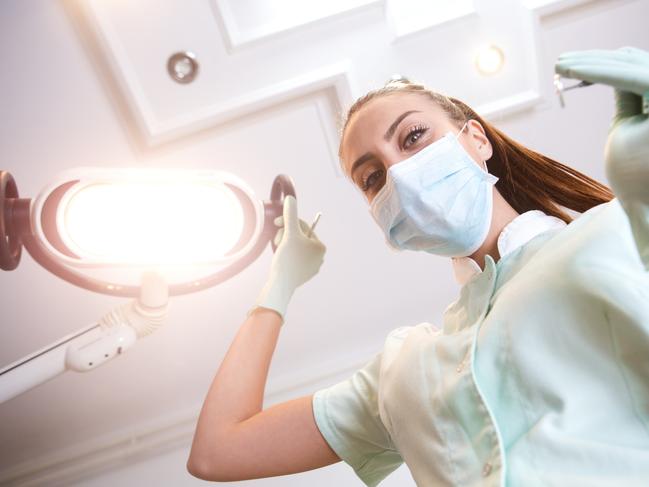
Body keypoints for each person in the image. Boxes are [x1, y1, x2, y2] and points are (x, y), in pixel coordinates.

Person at [186, 46, 649, 486]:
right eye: (372, 178)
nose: (400, 175)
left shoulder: (615, 234)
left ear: (476, 140)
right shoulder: (404, 374)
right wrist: (280, 284)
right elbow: (218, 449)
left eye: (413, 137)